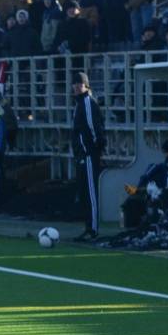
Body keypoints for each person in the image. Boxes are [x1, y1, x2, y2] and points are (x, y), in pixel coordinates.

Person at [71, 71, 105, 241]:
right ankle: (88, 227)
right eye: (75, 84)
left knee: (91, 193)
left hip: (89, 154)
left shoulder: (87, 103)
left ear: (86, 85)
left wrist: (92, 150)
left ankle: (93, 229)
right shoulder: (79, 104)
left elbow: (94, 128)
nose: (77, 87)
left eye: (80, 84)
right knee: (85, 192)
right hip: (83, 154)